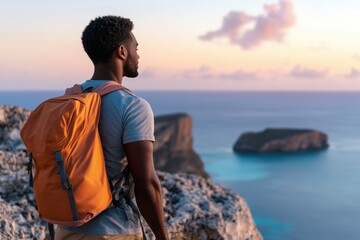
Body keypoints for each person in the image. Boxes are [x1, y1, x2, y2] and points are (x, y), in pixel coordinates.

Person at [54, 15, 169, 240]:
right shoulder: (133, 106)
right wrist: (163, 235)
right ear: (122, 52)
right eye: (136, 48)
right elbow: (146, 184)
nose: (138, 55)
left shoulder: (69, 100)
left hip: (67, 230)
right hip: (113, 231)